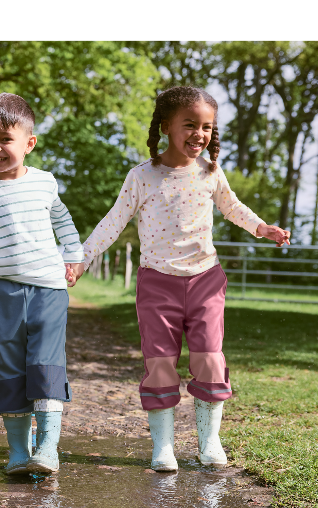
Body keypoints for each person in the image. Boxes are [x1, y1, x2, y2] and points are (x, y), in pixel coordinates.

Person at [68, 86, 290, 472]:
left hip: (205, 280)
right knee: (160, 364)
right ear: (166, 126)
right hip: (157, 284)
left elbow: (232, 207)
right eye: (190, 125)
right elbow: (113, 221)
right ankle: (164, 447)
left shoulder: (210, 173)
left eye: (207, 127)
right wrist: (83, 258)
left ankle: (209, 442)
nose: (199, 134)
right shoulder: (142, 176)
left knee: (210, 359)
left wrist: (261, 228)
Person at [0, 93, 83, 475]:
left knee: (46, 365)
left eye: (5, 139)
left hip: (48, 290)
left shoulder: (45, 183)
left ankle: (47, 449)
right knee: (7, 367)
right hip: (0, 292)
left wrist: (73, 256)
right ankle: (17, 451)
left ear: (29, 143)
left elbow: (63, 222)